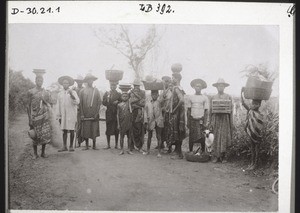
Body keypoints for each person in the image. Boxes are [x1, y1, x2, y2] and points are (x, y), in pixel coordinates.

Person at [27, 70, 52, 159]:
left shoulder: (45, 92)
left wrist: (44, 99)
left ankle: (43, 152)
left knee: (44, 133)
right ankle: (35, 153)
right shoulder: (31, 91)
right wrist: (30, 118)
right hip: (34, 116)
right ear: (35, 81)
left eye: (41, 81)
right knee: (34, 134)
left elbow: (48, 104)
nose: (40, 82)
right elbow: (28, 106)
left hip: (44, 115)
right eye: (38, 81)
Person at [210, 78, 233, 163]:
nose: (220, 87)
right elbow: (211, 110)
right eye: (219, 85)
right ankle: (216, 156)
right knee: (216, 136)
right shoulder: (213, 97)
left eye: (222, 85)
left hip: (225, 119)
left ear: (224, 87)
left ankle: (223, 156)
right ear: (216, 87)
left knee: (224, 136)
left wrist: (231, 122)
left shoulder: (228, 97)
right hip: (216, 119)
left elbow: (231, 110)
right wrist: (210, 121)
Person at [241, 88, 264, 170]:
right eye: (252, 103)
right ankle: (252, 163)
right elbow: (243, 103)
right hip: (251, 134)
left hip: (257, 135)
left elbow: (260, 126)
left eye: (256, 104)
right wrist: (241, 93)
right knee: (252, 149)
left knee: (257, 149)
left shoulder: (260, 114)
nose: (253, 105)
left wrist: (259, 133)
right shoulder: (250, 111)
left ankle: (255, 164)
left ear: (259, 105)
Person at [57, 76, 80, 152]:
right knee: (64, 130)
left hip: (71, 114)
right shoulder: (60, 93)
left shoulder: (73, 92)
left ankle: (71, 146)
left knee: (72, 129)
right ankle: (64, 146)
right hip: (63, 114)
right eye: (64, 83)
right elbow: (58, 105)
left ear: (69, 84)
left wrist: (71, 95)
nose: (65, 84)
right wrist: (59, 116)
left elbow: (77, 102)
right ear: (62, 84)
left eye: (67, 83)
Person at [186, 79, 209, 153]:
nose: (198, 88)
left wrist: (205, 122)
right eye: (196, 86)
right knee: (191, 136)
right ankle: (190, 151)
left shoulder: (204, 98)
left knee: (202, 136)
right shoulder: (190, 97)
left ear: (202, 88)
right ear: (194, 87)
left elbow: (206, 111)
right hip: (193, 119)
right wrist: (188, 121)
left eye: (199, 86)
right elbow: (188, 110)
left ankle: (202, 151)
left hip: (201, 120)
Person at [79, 73, 101, 150]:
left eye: (91, 80)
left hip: (94, 113)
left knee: (94, 128)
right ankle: (87, 145)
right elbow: (80, 104)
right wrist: (82, 114)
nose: (90, 81)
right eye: (89, 80)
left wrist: (97, 113)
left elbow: (99, 102)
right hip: (85, 113)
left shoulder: (96, 90)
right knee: (86, 129)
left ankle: (94, 145)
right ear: (86, 81)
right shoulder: (82, 91)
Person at [169, 73, 186, 159]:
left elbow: (182, 100)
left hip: (177, 113)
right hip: (181, 113)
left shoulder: (176, 88)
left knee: (176, 130)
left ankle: (178, 151)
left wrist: (174, 110)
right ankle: (179, 152)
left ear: (177, 79)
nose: (172, 79)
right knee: (179, 131)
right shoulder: (181, 88)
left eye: (173, 78)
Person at [143, 90, 164, 157]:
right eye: (153, 94)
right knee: (149, 136)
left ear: (158, 95)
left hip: (158, 120)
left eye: (156, 94)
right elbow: (145, 112)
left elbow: (165, 103)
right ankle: (148, 150)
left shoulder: (160, 102)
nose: (154, 96)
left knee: (159, 136)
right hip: (150, 121)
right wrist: (146, 121)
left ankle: (159, 152)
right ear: (151, 95)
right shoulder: (148, 103)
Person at [102, 81, 121, 149]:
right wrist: (107, 99)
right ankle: (108, 144)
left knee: (116, 129)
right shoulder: (107, 93)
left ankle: (116, 144)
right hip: (109, 113)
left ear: (116, 86)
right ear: (110, 86)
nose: (113, 87)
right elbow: (103, 103)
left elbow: (122, 101)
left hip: (116, 113)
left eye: (114, 85)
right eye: (112, 85)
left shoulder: (119, 94)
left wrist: (118, 102)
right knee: (108, 128)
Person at [129, 79, 146, 152]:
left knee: (139, 130)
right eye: (135, 86)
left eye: (137, 86)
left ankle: (140, 146)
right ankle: (132, 146)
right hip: (132, 112)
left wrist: (137, 105)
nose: (136, 87)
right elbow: (130, 103)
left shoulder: (142, 92)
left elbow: (143, 103)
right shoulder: (130, 93)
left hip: (139, 113)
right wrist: (136, 104)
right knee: (132, 129)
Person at [117, 87, 133, 155]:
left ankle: (128, 149)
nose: (125, 97)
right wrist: (118, 124)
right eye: (123, 96)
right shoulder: (119, 105)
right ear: (121, 97)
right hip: (122, 122)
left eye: (126, 96)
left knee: (129, 137)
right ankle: (122, 149)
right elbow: (117, 115)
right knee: (122, 137)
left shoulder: (130, 104)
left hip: (129, 122)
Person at [74, 75, 84, 147]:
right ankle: (78, 141)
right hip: (77, 109)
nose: (79, 83)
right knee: (78, 126)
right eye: (78, 82)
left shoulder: (84, 89)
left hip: (84, 109)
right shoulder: (74, 90)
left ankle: (84, 140)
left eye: (81, 82)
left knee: (84, 125)